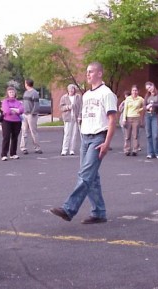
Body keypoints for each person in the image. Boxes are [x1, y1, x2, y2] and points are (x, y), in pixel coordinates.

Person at [50, 62, 117, 224]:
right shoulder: (86, 95)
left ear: (100, 73)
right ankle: (99, 212)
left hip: (98, 138)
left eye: (91, 72)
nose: (88, 74)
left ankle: (69, 208)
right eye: (87, 72)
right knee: (92, 177)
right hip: (85, 138)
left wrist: (107, 143)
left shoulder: (106, 93)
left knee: (85, 175)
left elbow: (112, 119)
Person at [0, 86, 24, 161]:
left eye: (13, 92)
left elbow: (21, 110)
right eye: (10, 92)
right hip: (7, 121)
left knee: (15, 137)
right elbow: (6, 110)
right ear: (7, 93)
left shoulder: (18, 102)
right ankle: (4, 154)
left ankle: (13, 153)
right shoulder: (5, 101)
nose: (11, 93)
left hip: (17, 121)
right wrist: (15, 110)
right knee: (6, 137)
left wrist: (13, 109)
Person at [20, 78, 42, 154]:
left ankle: (37, 147)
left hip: (31, 115)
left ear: (27, 84)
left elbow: (36, 104)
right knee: (24, 131)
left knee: (33, 131)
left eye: (25, 83)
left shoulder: (34, 93)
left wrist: (33, 113)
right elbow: (24, 103)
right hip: (25, 114)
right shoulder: (25, 93)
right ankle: (23, 147)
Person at [59, 84, 82, 156]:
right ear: (68, 90)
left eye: (73, 89)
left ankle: (72, 149)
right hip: (67, 118)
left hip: (75, 117)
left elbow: (81, 107)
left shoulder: (78, 97)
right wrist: (68, 107)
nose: (71, 90)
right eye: (70, 89)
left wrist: (80, 116)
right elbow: (61, 108)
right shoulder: (64, 97)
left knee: (74, 134)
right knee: (67, 134)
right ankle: (64, 150)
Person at [144, 81, 158, 159]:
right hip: (148, 115)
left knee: (155, 135)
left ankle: (157, 152)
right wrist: (147, 107)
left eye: (150, 87)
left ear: (153, 86)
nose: (149, 90)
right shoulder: (147, 95)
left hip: (155, 115)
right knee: (148, 135)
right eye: (147, 89)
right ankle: (150, 152)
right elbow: (144, 106)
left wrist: (152, 104)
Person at [122, 85, 144, 156]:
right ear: (131, 91)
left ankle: (135, 150)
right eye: (133, 90)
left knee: (135, 135)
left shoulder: (140, 99)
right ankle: (127, 150)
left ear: (138, 91)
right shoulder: (128, 99)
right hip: (128, 118)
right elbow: (125, 109)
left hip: (136, 118)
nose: (134, 92)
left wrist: (139, 110)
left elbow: (145, 106)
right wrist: (124, 119)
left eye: (136, 90)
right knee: (127, 135)